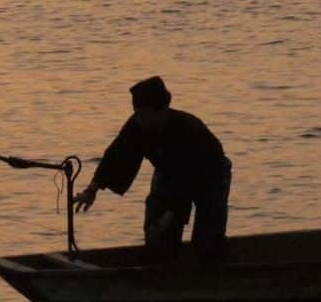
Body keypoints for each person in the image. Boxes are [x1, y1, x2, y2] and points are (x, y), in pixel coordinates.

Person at [73, 76, 231, 261]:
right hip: (167, 172)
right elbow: (115, 156)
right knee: (157, 238)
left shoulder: (189, 131)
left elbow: (184, 187)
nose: (141, 121)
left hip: (209, 175)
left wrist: (166, 220)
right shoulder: (137, 124)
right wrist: (92, 189)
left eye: (146, 115)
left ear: (163, 109)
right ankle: (163, 274)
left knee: (207, 240)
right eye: (137, 114)